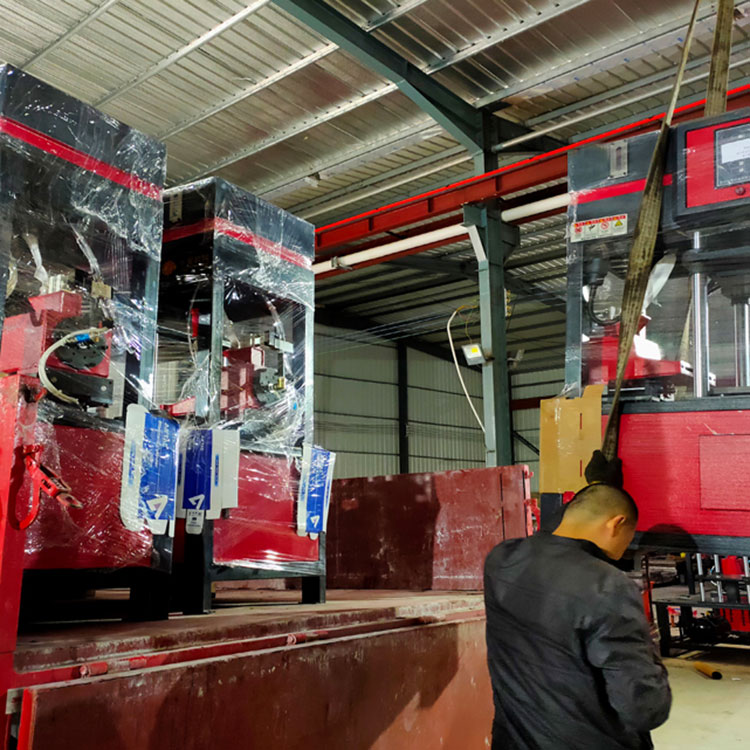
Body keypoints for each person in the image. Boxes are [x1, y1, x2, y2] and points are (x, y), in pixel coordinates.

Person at [484, 475, 671, 749]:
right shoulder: (607, 585)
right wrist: (650, 650)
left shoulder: (501, 559)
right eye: (628, 539)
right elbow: (644, 709)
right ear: (616, 524)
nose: (623, 552)